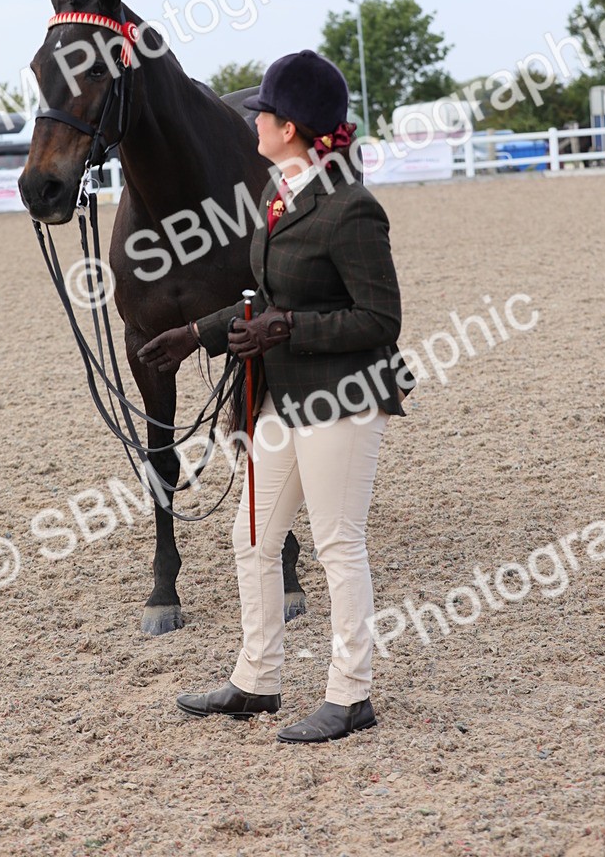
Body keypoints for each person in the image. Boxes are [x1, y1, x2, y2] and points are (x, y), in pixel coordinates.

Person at [138, 49, 414, 743]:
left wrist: (290, 328)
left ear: (288, 126)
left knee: (336, 543)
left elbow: (381, 320)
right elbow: (261, 297)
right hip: (279, 399)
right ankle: (257, 679)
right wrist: (193, 335)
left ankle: (350, 696)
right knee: (253, 536)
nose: (253, 116)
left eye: (263, 109)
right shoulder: (276, 193)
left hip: (341, 397)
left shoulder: (352, 210)